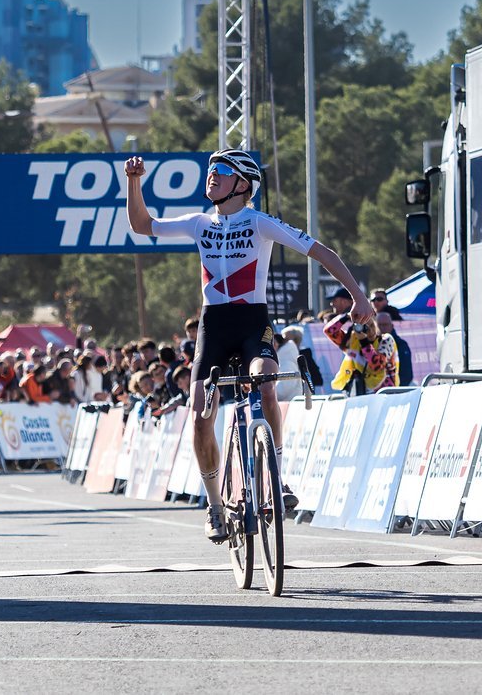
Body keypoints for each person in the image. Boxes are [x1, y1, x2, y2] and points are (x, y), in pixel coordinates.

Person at [126, 148, 373, 543]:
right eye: (209, 170)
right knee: (200, 413)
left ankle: (276, 475)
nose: (211, 176)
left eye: (220, 171)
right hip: (214, 325)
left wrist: (358, 296)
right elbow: (142, 225)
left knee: (266, 381)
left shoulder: (259, 223)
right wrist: (133, 182)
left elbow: (321, 252)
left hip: (252, 320)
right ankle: (214, 505)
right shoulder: (198, 223)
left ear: (242, 184)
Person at [379, 312, 413, 385]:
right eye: (379, 325)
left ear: (391, 326)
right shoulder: (370, 345)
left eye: (385, 325)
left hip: (395, 390)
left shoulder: (401, 345)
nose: (382, 328)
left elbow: (406, 374)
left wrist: (396, 390)